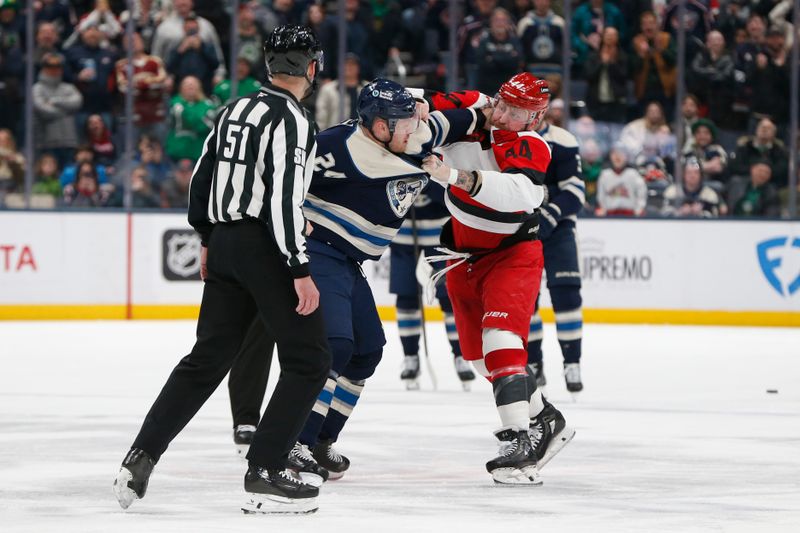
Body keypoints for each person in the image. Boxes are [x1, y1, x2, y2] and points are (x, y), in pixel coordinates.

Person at [112, 24, 332, 515]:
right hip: (265, 247)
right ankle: (266, 470)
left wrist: (210, 237)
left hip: (228, 243)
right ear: (311, 68)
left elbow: (201, 175)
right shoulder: (293, 119)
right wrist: (298, 266)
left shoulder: (234, 108)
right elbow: (281, 199)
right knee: (310, 358)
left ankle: (141, 454)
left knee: (207, 358)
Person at [226, 78, 483, 482]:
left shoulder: (413, 132)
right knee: (336, 346)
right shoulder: (332, 146)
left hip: (349, 262)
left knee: (367, 350)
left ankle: (321, 441)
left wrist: (487, 104)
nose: (412, 126)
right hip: (321, 253)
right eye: (401, 121)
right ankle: (296, 440)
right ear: (378, 125)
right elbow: (277, 183)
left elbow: (471, 114)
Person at [415, 73, 575, 484]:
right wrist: (413, 103)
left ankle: (519, 442)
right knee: (478, 359)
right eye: (501, 104)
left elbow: (522, 193)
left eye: (514, 112)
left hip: (513, 254)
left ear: (534, 119)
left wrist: (453, 176)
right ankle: (546, 417)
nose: (501, 115)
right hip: (463, 257)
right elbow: (429, 98)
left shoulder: (533, 144)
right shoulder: (479, 106)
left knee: (500, 341)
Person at [391, 185, 476, 390]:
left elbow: (453, 192)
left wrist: (425, 183)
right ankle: (410, 357)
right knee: (407, 300)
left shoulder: (440, 154)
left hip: (441, 239)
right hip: (403, 238)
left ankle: (460, 355)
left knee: (449, 298)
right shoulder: (392, 154)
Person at [525, 109, 586, 395]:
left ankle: (572, 362)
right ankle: (534, 363)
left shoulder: (563, 141)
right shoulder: (509, 139)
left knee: (567, 293)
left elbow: (575, 193)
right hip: (523, 228)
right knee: (526, 300)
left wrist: (550, 215)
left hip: (558, 228)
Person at [596, 146, 647, 216]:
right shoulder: (605, 175)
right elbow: (601, 196)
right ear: (610, 157)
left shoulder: (633, 174)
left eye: (621, 154)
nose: (617, 157)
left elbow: (642, 193)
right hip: (609, 215)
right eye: (614, 154)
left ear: (626, 157)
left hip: (630, 215)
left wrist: (639, 208)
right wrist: (602, 208)